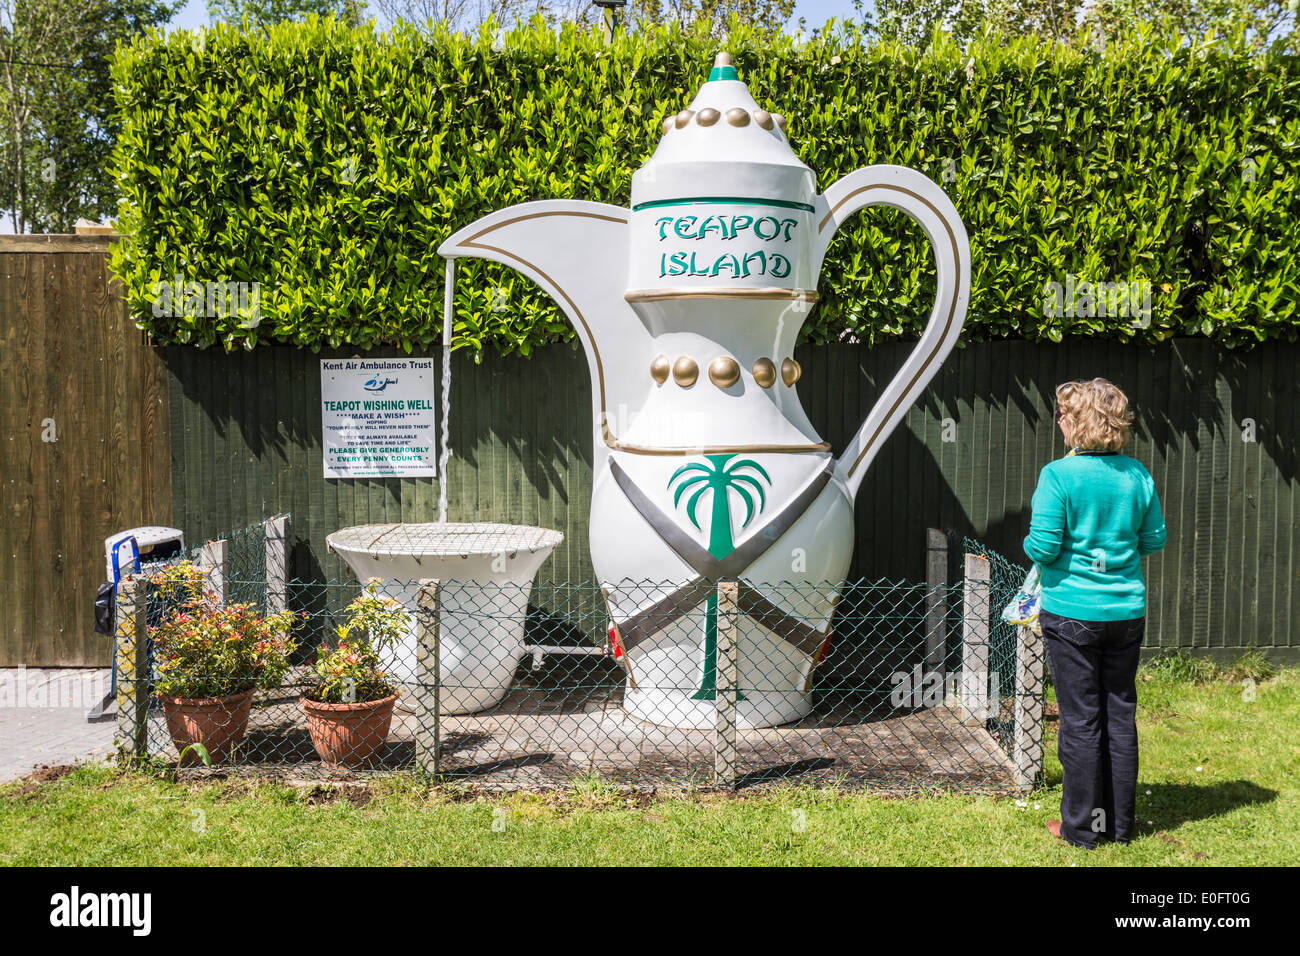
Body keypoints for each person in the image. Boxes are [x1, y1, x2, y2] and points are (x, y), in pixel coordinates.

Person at [1023, 378, 1166, 849]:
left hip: (1072, 616)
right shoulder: (1137, 475)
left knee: (1081, 720)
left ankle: (1082, 829)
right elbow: (1152, 540)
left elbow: (1042, 547)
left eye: (1064, 415)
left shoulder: (1058, 476)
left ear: (1079, 422)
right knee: (1119, 716)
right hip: (1125, 614)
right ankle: (1119, 828)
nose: (1060, 422)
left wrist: (1031, 545)